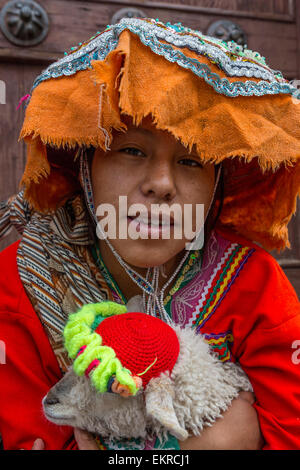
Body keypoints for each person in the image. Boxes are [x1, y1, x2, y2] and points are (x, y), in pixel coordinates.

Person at [0, 17, 299, 450]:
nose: (161, 183)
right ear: (87, 167)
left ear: (216, 186)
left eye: (192, 161)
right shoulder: (24, 280)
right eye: (132, 150)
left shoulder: (254, 283)